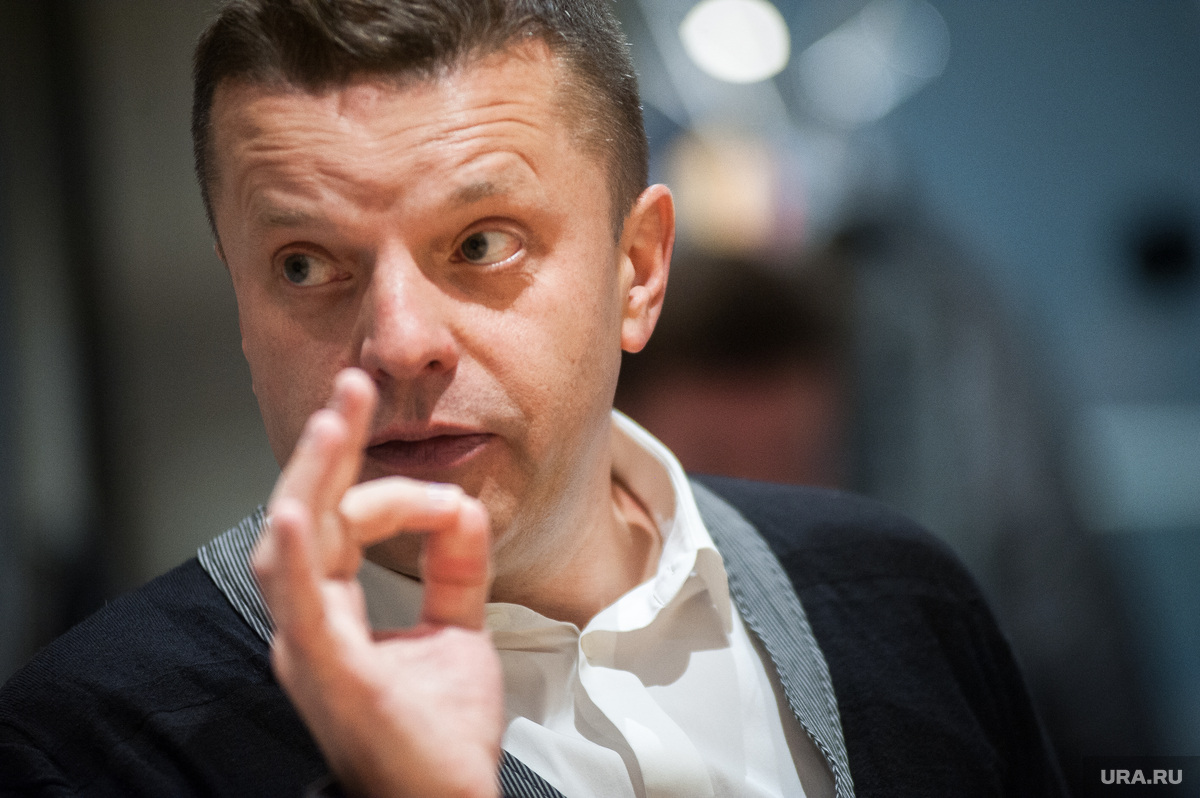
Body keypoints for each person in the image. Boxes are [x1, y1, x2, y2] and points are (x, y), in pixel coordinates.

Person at [0, 1, 1066, 796]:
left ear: (637, 272)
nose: (399, 344)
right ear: (244, 305)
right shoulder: (90, 746)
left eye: (481, 244)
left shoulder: (900, 597)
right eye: (304, 265)